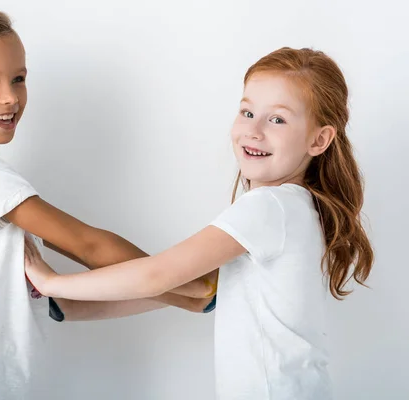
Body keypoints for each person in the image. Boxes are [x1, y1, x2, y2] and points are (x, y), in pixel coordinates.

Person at [0, 10, 216, 400]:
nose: (10, 96)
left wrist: (184, 297)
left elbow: (60, 290)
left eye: (19, 78)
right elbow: (88, 245)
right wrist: (195, 286)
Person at [25, 47, 375, 400]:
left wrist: (52, 282)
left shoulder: (269, 207)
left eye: (277, 119)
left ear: (319, 140)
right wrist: (68, 309)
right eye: (248, 112)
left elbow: (157, 275)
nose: (253, 130)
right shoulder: (293, 209)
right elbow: (200, 291)